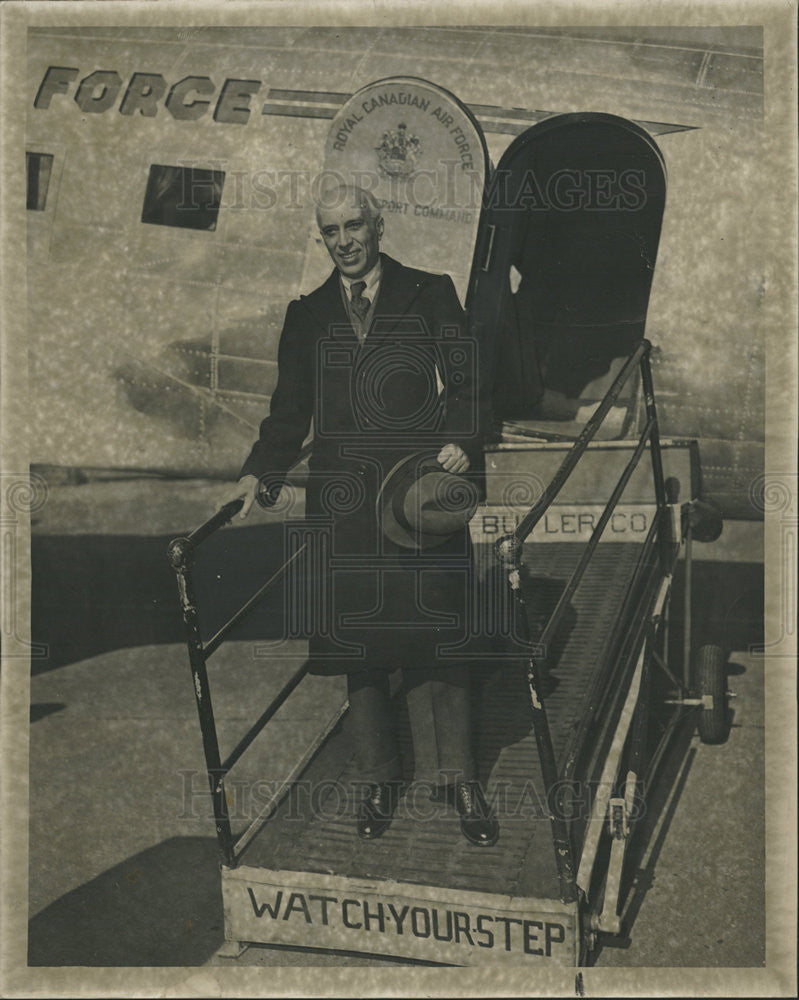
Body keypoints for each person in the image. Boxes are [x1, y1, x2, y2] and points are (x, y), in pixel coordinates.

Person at [218, 182, 498, 847]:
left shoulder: (428, 292)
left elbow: (471, 380)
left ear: (376, 228)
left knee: (443, 636)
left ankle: (461, 779)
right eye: (330, 232)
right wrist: (261, 470)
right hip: (341, 502)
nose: (343, 242)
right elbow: (288, 411)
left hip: (417, 492)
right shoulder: (307, 313)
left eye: (352, 227)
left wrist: (464, 440)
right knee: (359, 645)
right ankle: (379, 777)